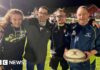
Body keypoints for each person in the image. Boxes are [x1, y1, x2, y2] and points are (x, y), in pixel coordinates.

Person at [64, 6, 100, 70]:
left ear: (88, 14)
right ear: (76, 15)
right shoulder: (71, 28)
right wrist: (66, 50)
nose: (82, 17)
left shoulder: (95, 29)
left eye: (84, 14)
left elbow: (99, 47)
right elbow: (66, 42)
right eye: (79, 14)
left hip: (88, 64)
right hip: (73, 63)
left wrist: (91, 53)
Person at [23, 6, 52, 70]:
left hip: (41, 57)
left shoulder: (50, 27)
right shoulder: (30, 22)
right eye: (40, 12)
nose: (42, 15)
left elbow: (55, 39)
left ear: (48, 16)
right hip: (30, 56)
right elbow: (18, 20)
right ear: (37, 13)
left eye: (44, 13)